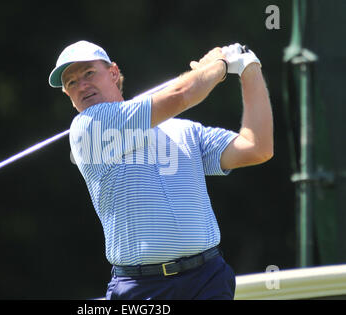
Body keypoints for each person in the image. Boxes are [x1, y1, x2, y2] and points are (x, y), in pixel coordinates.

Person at [49, 40, 273, 300]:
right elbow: (181, 95)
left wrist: (249, 68)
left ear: (112, 73)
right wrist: (220, 64)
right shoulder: (88, 127)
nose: (82, 86)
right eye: (71, 83)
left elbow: (257, 147)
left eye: (88, 73)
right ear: (68, 95)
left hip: (208, 279)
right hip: (143, 287)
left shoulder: (184, 130)